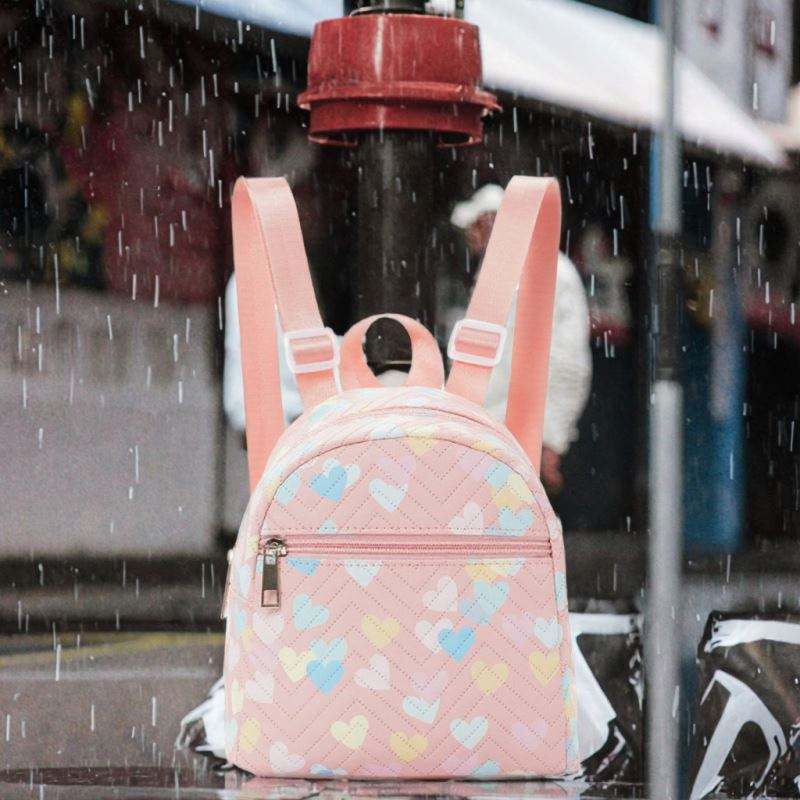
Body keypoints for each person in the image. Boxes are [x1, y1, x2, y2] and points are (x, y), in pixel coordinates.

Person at [450, 184, 593, 492]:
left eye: (476, 226)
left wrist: (550, 437)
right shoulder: (501, 271)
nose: (471, 236)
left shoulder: (549, 271)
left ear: (493, 221)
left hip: (518, 435)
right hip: (492, 433)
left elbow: (568, 363)